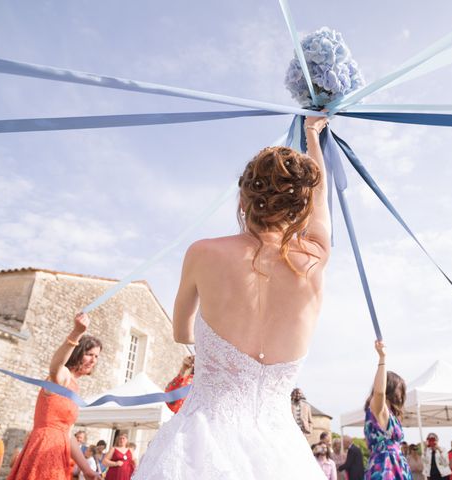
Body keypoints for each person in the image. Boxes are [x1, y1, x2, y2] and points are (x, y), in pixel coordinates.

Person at [132, 115, 331, 479]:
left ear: (243, 197)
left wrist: (217, 345)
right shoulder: (314, 259)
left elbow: (181, 333)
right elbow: (320, 200)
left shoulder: (202, 253)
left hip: (200, 443)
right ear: (301, 205)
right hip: (282, 455)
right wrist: (313, 136)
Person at [7, 312, 102, 480]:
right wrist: (77, 332)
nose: (93, 360)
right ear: (78, 352)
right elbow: (55, 365)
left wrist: (86, 469)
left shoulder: (75, 387)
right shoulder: (62, 375)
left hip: (59, 451)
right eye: (89, 354)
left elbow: (68, 433)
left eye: (96, 356)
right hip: (43, 447)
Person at [363, 340, 411, 479]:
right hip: (385, 468)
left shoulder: (390, 415)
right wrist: (382, 358)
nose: (402, 395)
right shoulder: (378, 409)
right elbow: (379, 392)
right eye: (400, 389)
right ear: (390, 388)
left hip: (397, 466)